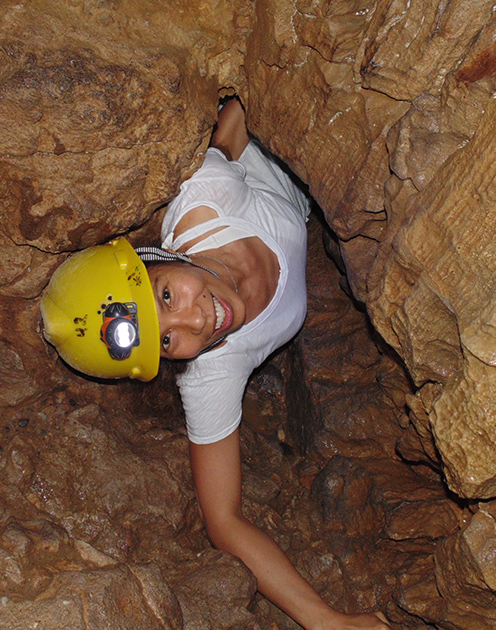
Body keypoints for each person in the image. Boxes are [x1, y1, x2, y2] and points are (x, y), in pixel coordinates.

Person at [41, 97, 392, 630]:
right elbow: (223, 523)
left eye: (164, 297)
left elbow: (243, 107)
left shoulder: (203, 198)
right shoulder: (211, 372)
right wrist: (326, 620)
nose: (196, 323)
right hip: (309, 214)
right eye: (166, 343)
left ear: (157, 259)